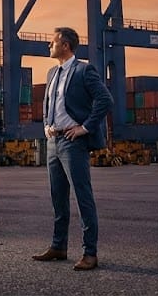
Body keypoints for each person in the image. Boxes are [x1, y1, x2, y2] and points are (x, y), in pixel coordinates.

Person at [32, 27, 113, 271]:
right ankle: (59, 246)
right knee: (58, 198)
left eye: (52, 42)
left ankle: (90, 253)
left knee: (82, 197)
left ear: (65, 45)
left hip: (73, 142)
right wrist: (47, 124)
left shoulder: (84, 70)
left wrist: (85, 127)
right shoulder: (51, 73)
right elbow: (49, 103)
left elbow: (105, 100)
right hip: (54, 142)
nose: (49, 46)